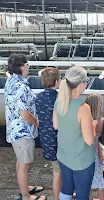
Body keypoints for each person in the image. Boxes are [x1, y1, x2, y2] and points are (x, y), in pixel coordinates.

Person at [4, 54, 45, 200]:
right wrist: (36, 122)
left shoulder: (11, 80)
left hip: (15, 130)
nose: (28, 66)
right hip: (22, 132)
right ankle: (26, 196)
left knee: (20, 162)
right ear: (21, 66)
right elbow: (24, 113)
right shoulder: (20, 86)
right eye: (26, 64)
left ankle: (24, 187)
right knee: (25, 164)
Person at [53, 66, 96, 200]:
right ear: (82, 84)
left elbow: (56, 125)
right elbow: (89, 140)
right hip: (81, 161)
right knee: (82, 195)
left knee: (66, 189)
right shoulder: (83, 108)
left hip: (63, 156)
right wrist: (93, 125)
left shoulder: (59, 100)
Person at [35, 67, 62, 200]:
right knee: (58, 172)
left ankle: (63, 194)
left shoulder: (39, 97)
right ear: (57, 82)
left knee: (56, 170)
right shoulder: (59, 97)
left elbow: (39, 117)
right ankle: (57, 197)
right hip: (58, 141)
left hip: (45, 139)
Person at [84, 94, 104, 200]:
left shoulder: (84, 120)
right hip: (99, 153)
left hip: (87, 152)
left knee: (87, 180)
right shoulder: (101, 120)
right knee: (101, 181)